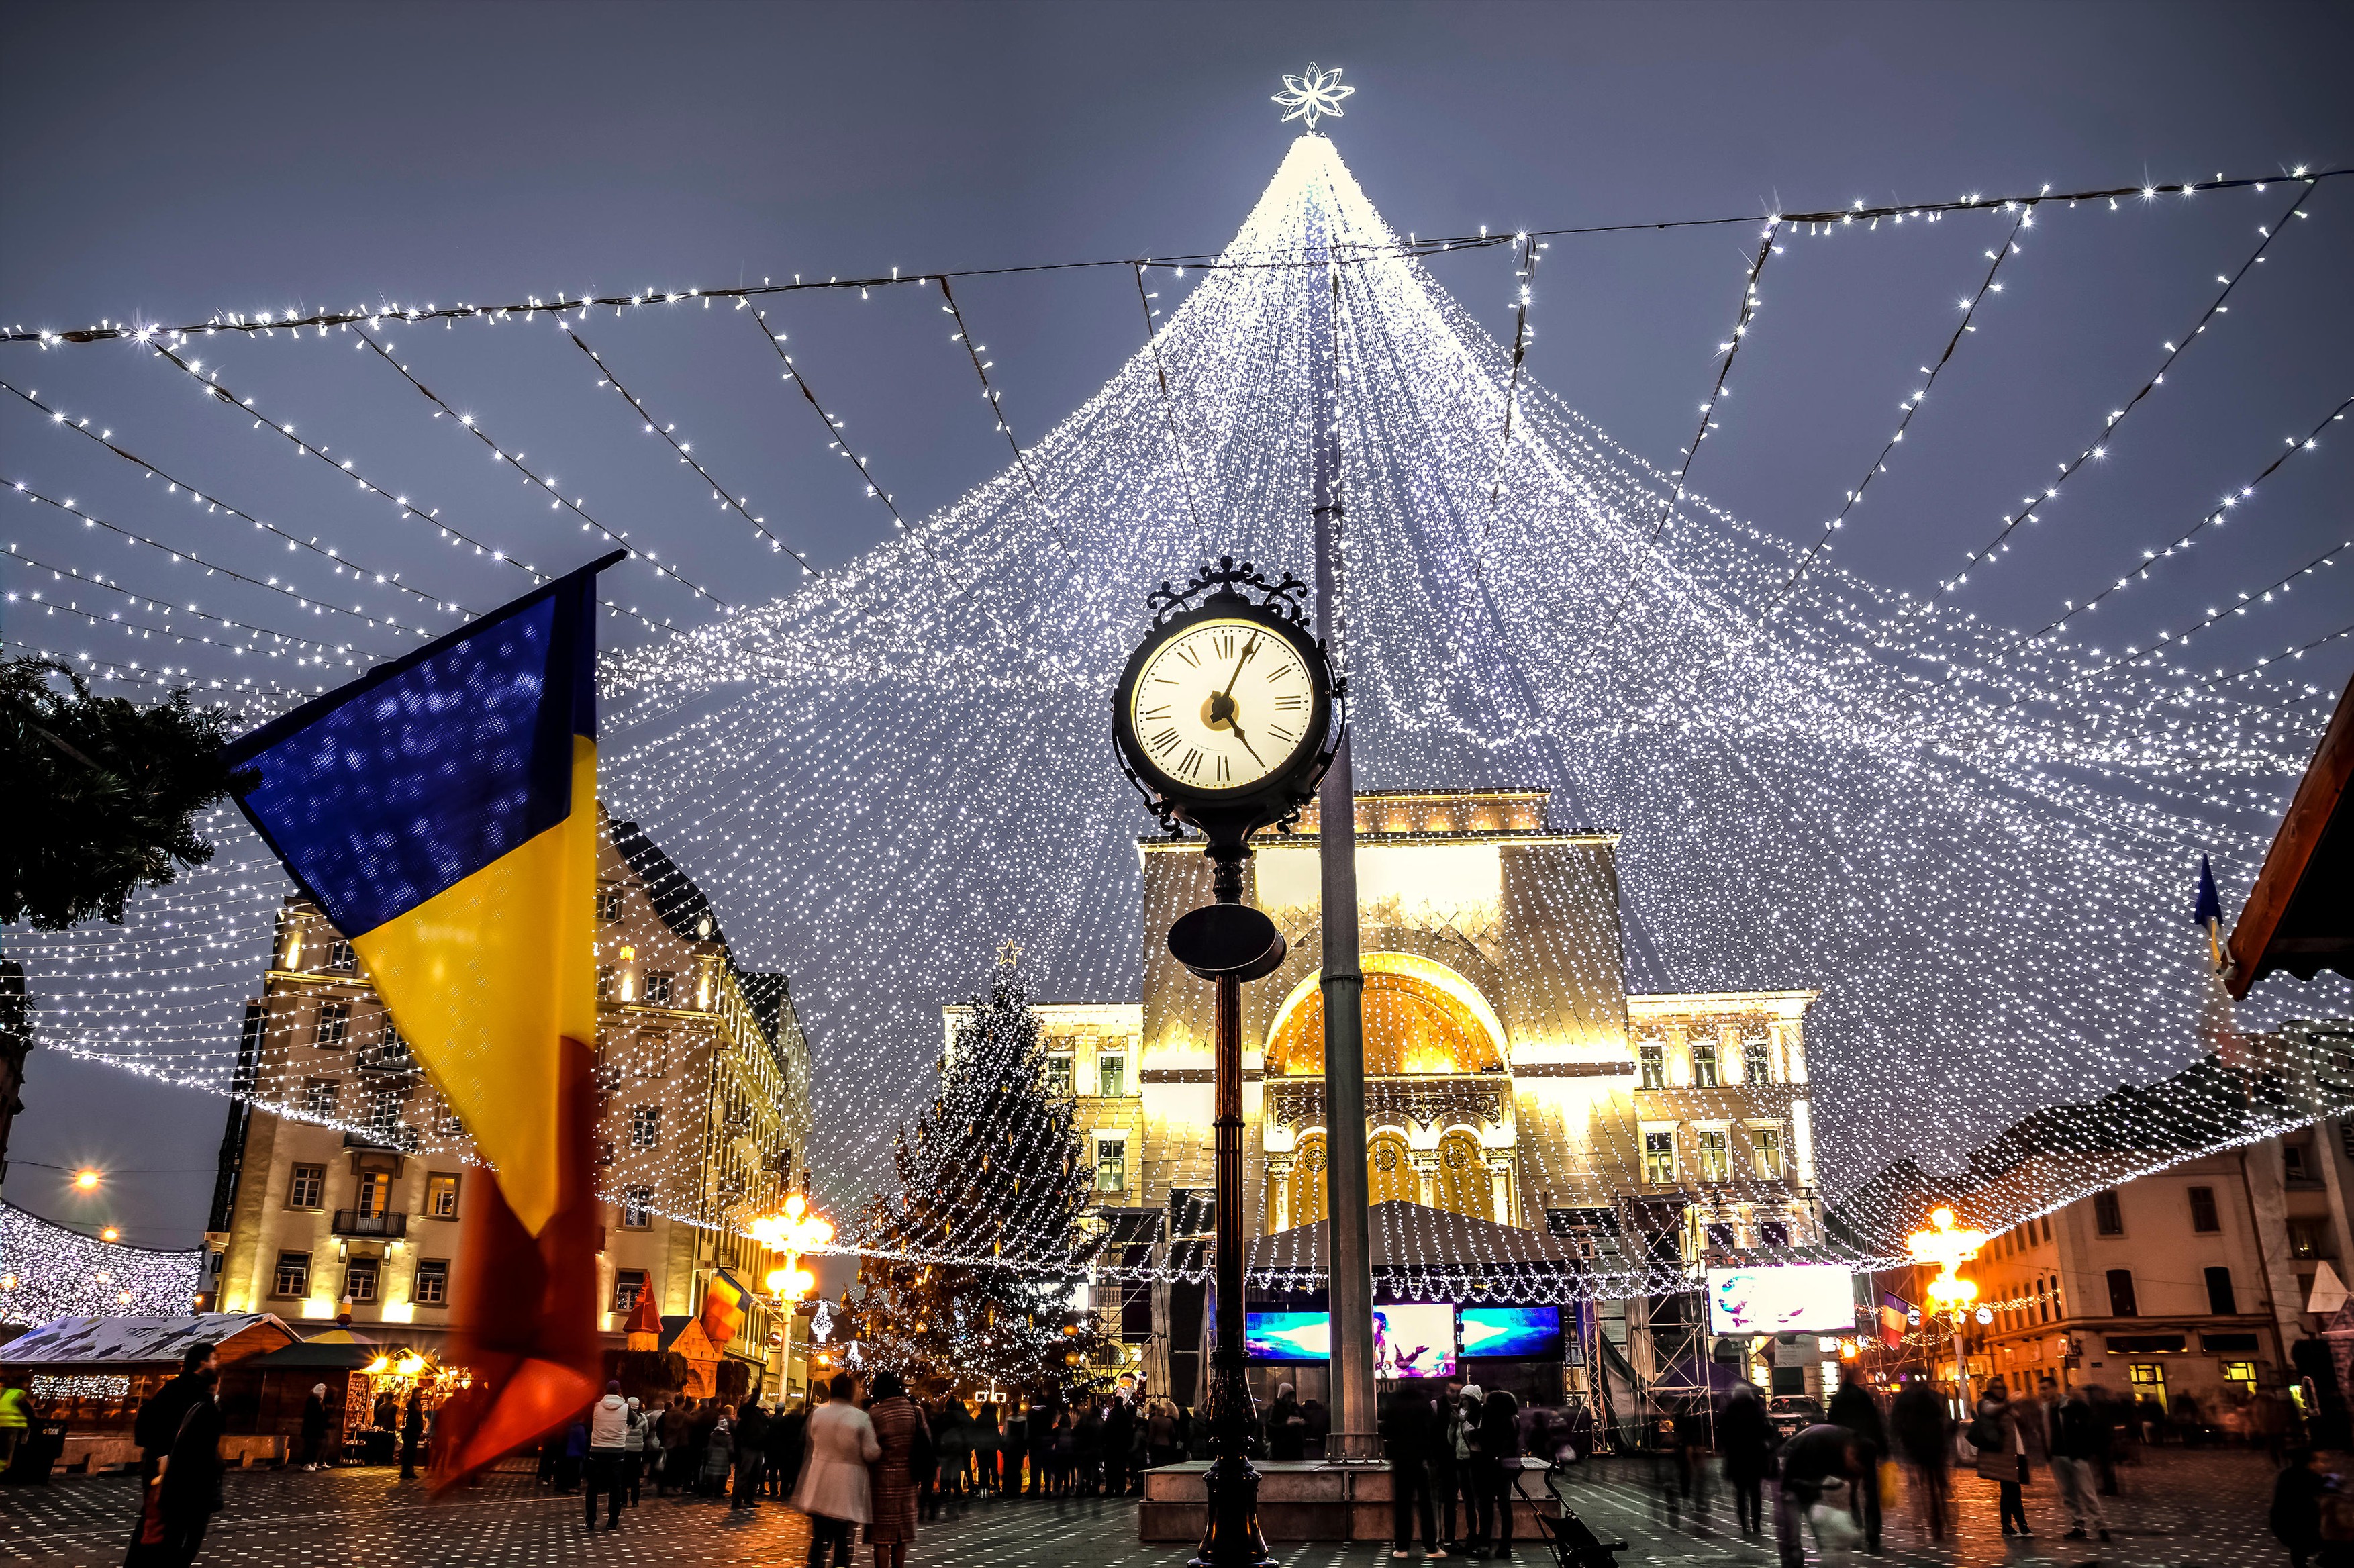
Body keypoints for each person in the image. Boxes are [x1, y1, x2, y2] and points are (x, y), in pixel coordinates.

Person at [150, 1344, 226, 1567]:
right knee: (190, 1537)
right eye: (214, 1359)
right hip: (195, 1482)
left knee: (171, 1535)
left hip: (174, 1477)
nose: (216, 1362)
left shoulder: (178, 1393)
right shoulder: (205, 1407)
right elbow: (207, 1447)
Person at [795, 1374, 878, 1568]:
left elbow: (812, 1441)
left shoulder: (818, 1413)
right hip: (846, 1482)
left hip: (819, 1479)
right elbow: (871, 1452)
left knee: (819, 1538)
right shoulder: (860, 1418)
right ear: (851, 1392)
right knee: (842, 1538)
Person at [1777, 1422, 1865, 1568]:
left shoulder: (1837, 1443)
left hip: (1801, 1488)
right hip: (1796, 1489)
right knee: (1794, 1538)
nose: (1853, 1460)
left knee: (1797, 1538)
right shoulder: (1824, 1445)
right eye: (1853, 1456)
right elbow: (1797, 1475)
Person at [866, 1368, 930, 1568]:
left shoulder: (875, 1413)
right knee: (901, 1534)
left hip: (882, 1479)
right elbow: (926, 1440)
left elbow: (870, 1448)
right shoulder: (915, 1412)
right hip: (909, 1477)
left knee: (882, 1535)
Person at [1380, 1384, 1446, 1561]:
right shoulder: (1423, 1405)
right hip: (1420, 1461)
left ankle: (1401, 1547)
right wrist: (1431, 1457)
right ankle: (1431, 1546)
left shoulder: (1393, 1405)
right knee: (1426, 1506)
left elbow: (1386, 1431)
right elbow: (1433, 1432)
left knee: (1402, 1505)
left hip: (1401, 1462)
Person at [2040, 1377, 2109, 1542]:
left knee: (2087, 1492)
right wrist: (2047, 1453)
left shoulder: (2070, 1405)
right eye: (2040, 1389)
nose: (2042, 1392)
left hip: (2076, 1455)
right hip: (2056, 1456)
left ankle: (2100, 1526)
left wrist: (2085, 1451)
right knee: (2067, 1494)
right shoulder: (2044, 1408)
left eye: (2045, 1388)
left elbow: (2089, 1423)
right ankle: (2078, 1526)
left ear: (2055, 1388)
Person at [1973, 1376, 2042, 1538]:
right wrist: (2009, 1402)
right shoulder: (1987, 1403)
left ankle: (2012, 1525)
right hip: (2002, 1456)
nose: (2000, 1390)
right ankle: (2017, 1525)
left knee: (2012, 1490)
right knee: (2011, 1490)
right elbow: (1991, 1411)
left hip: (2016, 1452)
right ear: (1990, 1389)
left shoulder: (2007, 1407)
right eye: (1996, 1388)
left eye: (2002, 1388)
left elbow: (2022, 1423)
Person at [1826, 1369, 1885, 1551]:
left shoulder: (1837, 1400)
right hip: (1867, 1447)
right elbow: (1876, 1421)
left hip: (1848, 1449)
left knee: (1851, 1492)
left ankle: (1856, 1526)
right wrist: (1883, 1447)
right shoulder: (1864, 1397)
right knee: (1871, 1492)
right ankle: (1873, 1533)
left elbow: (1832, 1427)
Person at [1889, 1375, 1951, 1541]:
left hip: (1918, 1449)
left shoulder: (1904, 1400)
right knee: (1933, 1489)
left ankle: (1926, 1523)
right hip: (1931, 1449)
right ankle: (1936, 1523)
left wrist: (1898, 1445)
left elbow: (1895, 1424)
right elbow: (1943, 1420)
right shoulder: (1933, 1397)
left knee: (1921, 1488)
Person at [1718, 1383, 1774, 1537]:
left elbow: (1722, 1434)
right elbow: (1767, 1432)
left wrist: (1728, 1448)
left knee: (1741, 1494)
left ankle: (1744, 1524)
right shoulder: (1757, 1410)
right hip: (1755, 1457)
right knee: (1755, 1493)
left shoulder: (1729, 1412)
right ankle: (1756, 1524)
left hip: (1737, 1458)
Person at [1479, 1385, 1522, 1561]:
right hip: (1509, 1466)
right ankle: (1505, 1546)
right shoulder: (1514, 1419)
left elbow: (1485, 1438)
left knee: (1487, 1507)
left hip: (1492, 1466)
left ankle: (1485, 1544)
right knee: (1505, 1507)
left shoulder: (1492, 1418)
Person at [581, 1381, 630, 1530]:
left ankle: (590, 1520)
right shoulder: (626, 1407)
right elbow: (634, 1421)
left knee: (593, 1487)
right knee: (616, 1487)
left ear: (606, 1391)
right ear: (619, 1391)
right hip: (617, 1451)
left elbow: (588, 1423)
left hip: (597, 1450)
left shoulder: (596, 1406)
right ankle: (612, 1521)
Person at [2273, 1448, 2330, 1568]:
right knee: (2311, 1543)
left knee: (2299, 1547)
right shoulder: (2309, 1475)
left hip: (2286, 1518)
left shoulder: (2286, 1474)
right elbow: (2323, 1487)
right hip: (2302, 1518)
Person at [1453, 1385, 1491, 1557]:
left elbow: (1478, 1435)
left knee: (1478, 1501)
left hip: (1475, 1461)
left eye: (1466, 1399)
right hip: (1460, 1460)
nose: (1463, 1402)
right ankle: (1471, 1535)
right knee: (1468, 1501)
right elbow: (1452, 1438)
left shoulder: (1481, 1416)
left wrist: (1463, 1423)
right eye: (1462, 1398)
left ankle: (1483, 1539)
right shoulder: (1460, 1415)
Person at [734, 1396, 771, 1509]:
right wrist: (756, 1392)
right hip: (749, 1447)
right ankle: (737, 1501)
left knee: (754, 1475)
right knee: (745, 1474)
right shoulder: (747, 1413)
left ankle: (749, 1499)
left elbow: (766, 1424)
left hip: (758, 1447)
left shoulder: (756, 1413)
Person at [767, 1393, 806, 1500]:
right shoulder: (789, 1420)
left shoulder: (774, 1420)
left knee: (774, 1471)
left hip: (775, 1448)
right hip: (785, 1449)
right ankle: (785, 1492)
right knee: (785, 1472)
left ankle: (775, 1490)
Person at [701, 1404, 735, 1497]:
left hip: (714, 1456)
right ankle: (719, 1492)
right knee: (722, 1475)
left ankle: (710, 1490)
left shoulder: (714, 1434)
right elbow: (730, 1447)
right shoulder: (728, 1435)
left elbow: (710, 1446)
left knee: (712, 1474)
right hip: (724, 1457)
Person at [1268, 1383, 1308, 1461]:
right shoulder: (1276, 1408)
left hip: (1295, 1447)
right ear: (1283, 1396)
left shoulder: (1295, 1407)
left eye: (1291, 1396)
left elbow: (1307, 1422)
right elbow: (1270, 1428)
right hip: (1281, 1448)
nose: (1290, 1399)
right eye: (1288, 1396)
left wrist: (1303, 1423)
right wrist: (1286, 1424)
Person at [0, 1375, 30, 1470]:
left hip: (2, 1425)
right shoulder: (17, 1394)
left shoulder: (1, 1392)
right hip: (12, 1426)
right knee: (6, 1453)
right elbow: (29, 1411)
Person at [298, 1383, 330, 1471]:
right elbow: (313, 1415)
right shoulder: (313, 1401)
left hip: (316, 1428)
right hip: (312, 1428)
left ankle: (313, 1463)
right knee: (309, 1447)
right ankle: (306, 1464)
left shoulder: (320, 1401)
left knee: (315, 1446)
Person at [973, 1398, 1001, 1496]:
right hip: (991, 1448)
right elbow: (996, 1434)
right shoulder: (994, 1421)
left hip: (980, 1448)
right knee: (994, 1469)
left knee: (982, 1469)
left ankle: (983, 1490)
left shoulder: (978, 1420)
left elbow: (975, 1434)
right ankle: (997, 1488)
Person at [622, 1396, 646, 1506]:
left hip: (625, 1449)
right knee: (635, 1476)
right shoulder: (643, 1418)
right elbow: (646, 1432)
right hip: (638, 1450)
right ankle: (635, 1501)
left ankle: (623, 1500)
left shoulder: (623, 1417)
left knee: (623, 1476)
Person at [399, 1393, 425, 1481]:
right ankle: (407, 1471)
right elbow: (414, 1419)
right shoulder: (413, 1406)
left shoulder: (415, 1404)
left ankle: (408, 1470)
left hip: (413, 1432)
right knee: (409, 1451)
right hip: (412, 1432)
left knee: (410, 1451)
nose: (421, 1395)